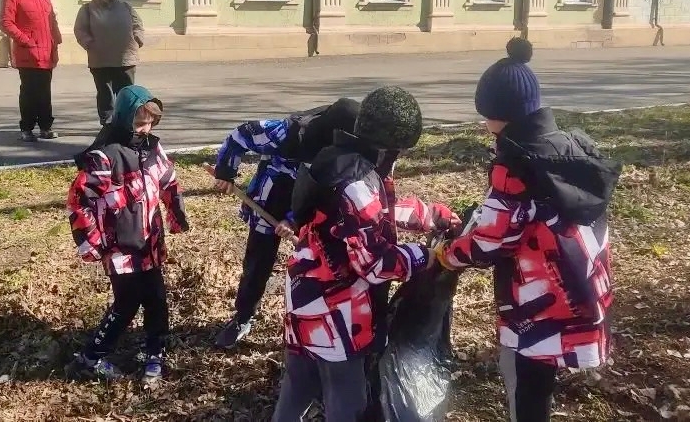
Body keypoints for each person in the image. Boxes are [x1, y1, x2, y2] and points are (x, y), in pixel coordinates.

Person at [431, 38, 620, 422]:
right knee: (539, 383)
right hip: (579, 285)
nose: (484, 124)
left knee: (523, 382)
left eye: (486, 115)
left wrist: (447, 255)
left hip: (535, 300)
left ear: (500, 114)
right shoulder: (568, 147)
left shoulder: (515, 164)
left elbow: (491, 241)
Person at [272, 86, 459, 422]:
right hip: (337, 309)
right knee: (346, 399)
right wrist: (423, 256)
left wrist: (430, 215)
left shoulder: (338, 160)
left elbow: (374, 215)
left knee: (298, 383)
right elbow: (374, 263)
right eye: (400, 150)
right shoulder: (357, 181)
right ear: (389, 145)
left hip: (304, 294)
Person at [211, 98, 361, 350]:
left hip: (312, 210)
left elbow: (329, 193)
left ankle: (318, 319)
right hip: (270, 200)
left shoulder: (346, 152)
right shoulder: (285, 132)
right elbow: (239, 136)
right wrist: (225, 173)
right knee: (257, 263)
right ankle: (243, 317)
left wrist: (294, 219)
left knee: (317, 265)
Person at [66, 85, 189, 383]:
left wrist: (176, 215)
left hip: (149, 239)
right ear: (124, 119)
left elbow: (168, 181)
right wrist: (90, 241)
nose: (145, 129)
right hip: (119, 244)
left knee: (156, 297)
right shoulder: (105, 156)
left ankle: (155, 351)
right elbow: (79, 199)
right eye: (139, 123)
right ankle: (90, 358)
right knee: (127, 301)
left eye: (150, 122)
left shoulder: (152, 148)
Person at [0, 0, 63, 142]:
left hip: (46, 52)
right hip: (28, 53)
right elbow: (6, 22)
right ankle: (27, 129)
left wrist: (56, 41)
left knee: (45, 92)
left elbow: (52, 21)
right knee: (29, 92)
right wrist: (25, 40)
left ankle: (45, 127)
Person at [74, 0, 146, 126]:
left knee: (126, 92)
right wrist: (89, 43)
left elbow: (138, 25)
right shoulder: (88, 9)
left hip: (125, 58)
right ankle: (107, 121)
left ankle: (126, 120)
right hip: (100, 59)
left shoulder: (126, 7)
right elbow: (80, 30)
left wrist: (138, 38)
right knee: (105, 93)